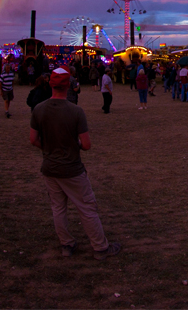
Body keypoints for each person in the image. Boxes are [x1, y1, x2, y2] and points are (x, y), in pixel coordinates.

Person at [30, 68, 121, 261]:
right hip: (72, 168)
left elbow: (33, 139)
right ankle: (100, 247)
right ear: (69, 85)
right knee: (87, 207)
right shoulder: (76, 111)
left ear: (50, 84)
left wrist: (48, 148)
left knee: (58, 208)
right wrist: (74, 145)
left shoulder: (39, 109)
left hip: (50, 167)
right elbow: (86, 145)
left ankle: (66, 244)